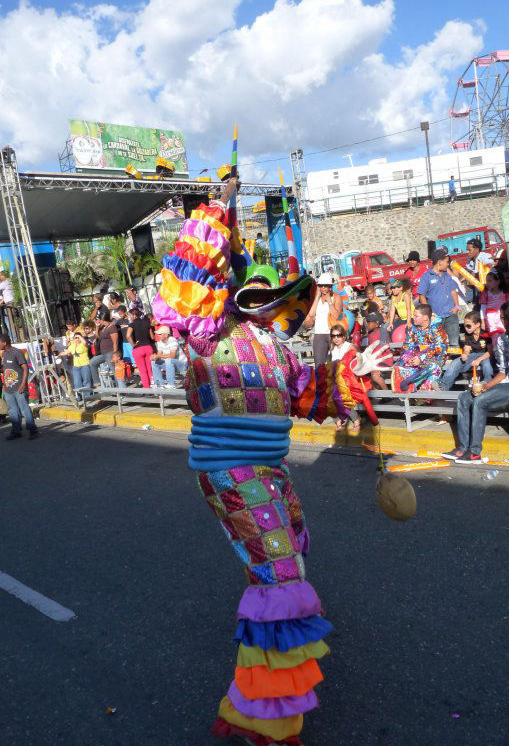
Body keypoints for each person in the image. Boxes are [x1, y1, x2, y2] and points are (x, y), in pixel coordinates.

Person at [150, 177, 391, 744]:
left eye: (268, 293)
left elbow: (314, 396)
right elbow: (190, 279)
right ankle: (271, 722)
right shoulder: (209, 333)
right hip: (230, 468)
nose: (258, 299)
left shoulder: (282, 351)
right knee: (279, 571)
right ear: (233, 295)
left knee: (283, 568)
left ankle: (253, 699)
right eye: (249, 292)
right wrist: (222, 207)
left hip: (271, 469)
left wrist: (349, 369)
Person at [442, 303, 509, 464]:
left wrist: (485, 387)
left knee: (480, 401)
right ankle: (463, 448)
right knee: (464, 397)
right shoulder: (503, 339)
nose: (507, 321)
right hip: (504, 381)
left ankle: (475, 452)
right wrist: (484, 386)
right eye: (504, 318)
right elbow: (503, 371)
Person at [391, 304, 447, 392]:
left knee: (434, 367)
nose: (413, 318)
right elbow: (407, 346)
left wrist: (421, 359)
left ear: (425, 318)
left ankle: (411, 385)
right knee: (399, 365)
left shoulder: (437, 329)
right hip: (415, 360)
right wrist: (407, 358)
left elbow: (439, 349)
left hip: (434, 359)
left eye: (416, 316)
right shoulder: (413, 329)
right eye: (414, 315)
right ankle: (409, 385)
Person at [417, 248, 461, 347]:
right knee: (438, 344)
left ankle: (455, 360)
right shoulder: (426, 276)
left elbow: (453, 291)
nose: (448, 264)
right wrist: (429, 313)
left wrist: (457, 306)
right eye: (446, 262)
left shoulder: (447, 276)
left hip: (451, 315)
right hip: (436, 317)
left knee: (454, 343)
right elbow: (422, 296)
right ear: (439, 262)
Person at [439, 311, 492, 390]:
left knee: (487, 364)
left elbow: (490, 352)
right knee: (456, 362)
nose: (466, 328)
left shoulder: (485, 334)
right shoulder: (468, 334)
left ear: (477, 324)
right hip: (473, 355)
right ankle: (443, 386)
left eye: (468, 326)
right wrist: (465, 354)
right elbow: (467, 348)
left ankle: (487, 383)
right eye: (464, 326)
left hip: (485, 355)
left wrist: (478, 360)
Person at [0, 333, 38, 440]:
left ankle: (33, 430)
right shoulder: (4, 354)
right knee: (12, 411)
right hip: (8, 388)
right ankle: (16, 431)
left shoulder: (17, 352)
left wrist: (22, 384)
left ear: (4, 342)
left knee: (24, 409)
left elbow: (25, 368)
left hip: (19, 387)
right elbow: (6, 368)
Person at [328, 323, 361, 435]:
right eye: (333, 336)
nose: (336, 338)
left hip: (348, 379)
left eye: (338, 335)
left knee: (341, 396)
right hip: (336, 378)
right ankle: (338, 421)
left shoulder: (349, 346)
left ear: (343, 336)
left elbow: (359, 360)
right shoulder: (333, 349)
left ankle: (355, 419)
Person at [304, 272, 343, 367]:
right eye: (321, 285)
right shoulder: (315, 298)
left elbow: (336, 316)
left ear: (330, 286)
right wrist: (317, 297)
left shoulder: (336, 297)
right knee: (319, 365)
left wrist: (329, 301)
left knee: (336, 364)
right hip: (319, 334)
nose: (323, 288)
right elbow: (311, 315)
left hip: (333, 334)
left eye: (325, 285)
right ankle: (321, 382)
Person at [58, 331, 92, 401]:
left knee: (86, 381)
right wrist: (58, 353)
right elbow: (65, 352)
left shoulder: (83, 344)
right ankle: (79, 397)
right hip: (76, 367)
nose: (76, 339)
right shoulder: (72, 346)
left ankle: (88, 397)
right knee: (77, 383)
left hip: (85, 365)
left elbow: (85, 343)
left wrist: (79, 336)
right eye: (75, 338)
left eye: (77, 338)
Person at [127, 308, 155, 388]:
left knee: (142, 371)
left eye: (130, 315)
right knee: (150, 369)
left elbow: (128, 336)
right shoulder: (147, 322)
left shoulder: (132, 324)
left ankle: (147, 388)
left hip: (138, 349)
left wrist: (133, 344)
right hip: (148, 347)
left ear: (134, 315)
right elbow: (152, 337)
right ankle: (154, 386)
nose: (129, 317)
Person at [89, 317, 120, 387]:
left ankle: (120, 389)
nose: (98, 321)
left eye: (99, 320)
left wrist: (115, 353)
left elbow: (115, 341)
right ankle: (97, 382)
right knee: (92, 362)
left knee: (114, 370)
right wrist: (97, 327)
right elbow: (97, 336)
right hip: (103, 353)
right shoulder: (103, 328)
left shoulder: (112, 327)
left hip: (110, 352)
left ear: (103, 320)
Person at [479, 271, 509, 339]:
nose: (487, 283)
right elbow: (483, 308)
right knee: (494, 335)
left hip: (502, 317)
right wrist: (483, 321)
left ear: (498, 282)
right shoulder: (486, 293)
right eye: (486, 281)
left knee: (504, 334)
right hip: (490, 318)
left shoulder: (505, 293)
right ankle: (495, 349)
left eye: (490, 281)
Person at [465, 238, 494, 308]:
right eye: (467, 250)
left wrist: (474, 275)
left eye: (469, 250)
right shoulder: (470, 260)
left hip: (486, 289)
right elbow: (467, 273)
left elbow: (489, 269)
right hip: (475, 289)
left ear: (477, 249)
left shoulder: (485, 257)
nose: (467, 252)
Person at [0, 270, 15, 337]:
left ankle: (13, 338)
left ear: (3, 276)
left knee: (9, 322)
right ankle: (12, 338)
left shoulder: (5, 282)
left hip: (8, 304)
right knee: (7, 322)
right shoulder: (9, 281)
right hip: (9, 304)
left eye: (0, 275)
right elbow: (5, 295)